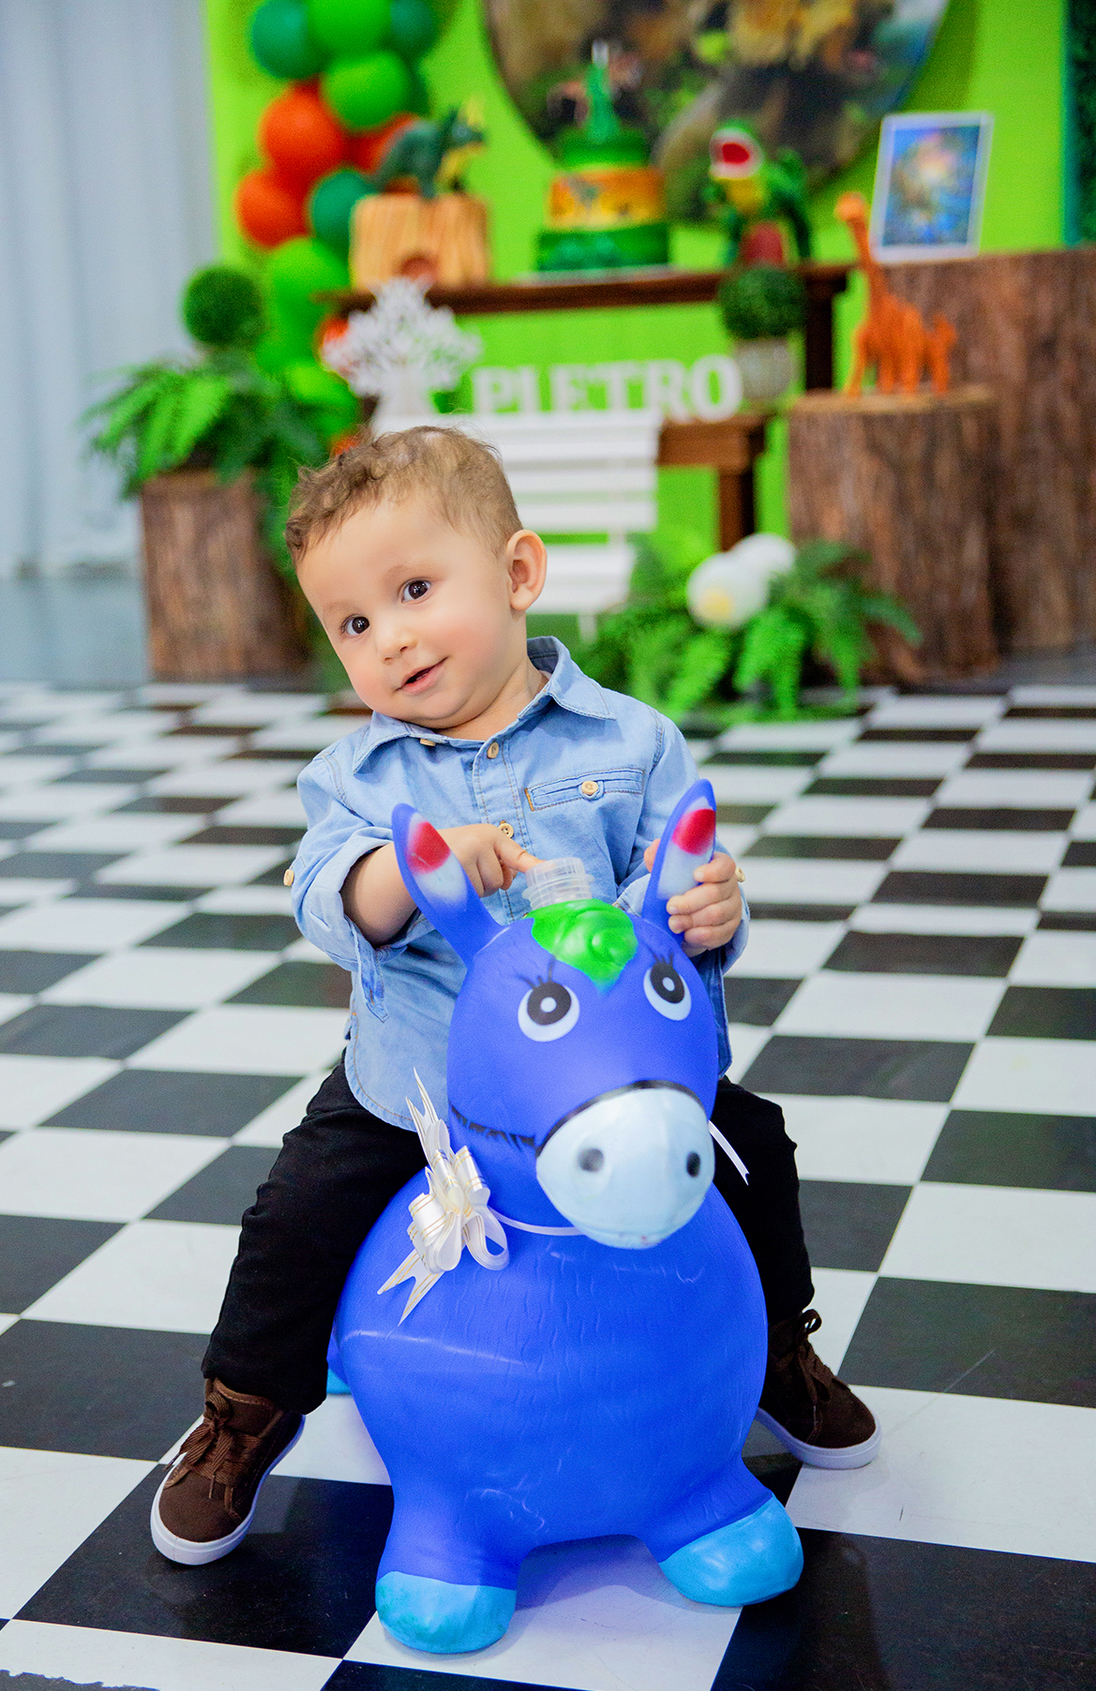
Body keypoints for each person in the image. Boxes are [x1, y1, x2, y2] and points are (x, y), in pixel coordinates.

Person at [152, 427, 878, 1568]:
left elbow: (679, 900)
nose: (388, 638)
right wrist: (406, 865)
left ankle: (777, 1351)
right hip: (422, 1095)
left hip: (610, 1084)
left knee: (759, 1150)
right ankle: (244, 1413)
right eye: (352, 623)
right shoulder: (357, 775)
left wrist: (713, 913)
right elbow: (324, 896)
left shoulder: (633, 745)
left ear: (519, 574)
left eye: (414, 590)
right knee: (296, 1212)